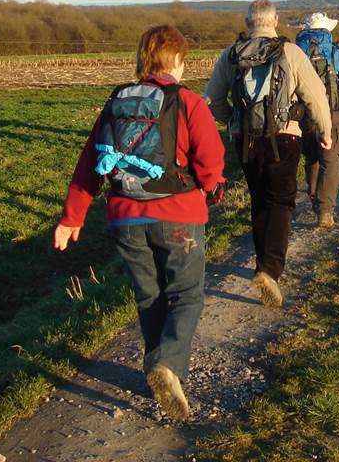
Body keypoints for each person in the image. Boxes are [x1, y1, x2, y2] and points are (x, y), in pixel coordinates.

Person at [54, 24, 226, 420]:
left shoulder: (116, 103)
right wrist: (213, 187)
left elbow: (89, 165)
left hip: (125, 218)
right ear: (179, 60)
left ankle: (158, 373)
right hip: (179, 215)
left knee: (150, 296)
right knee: (186, 294)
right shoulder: (187, 102)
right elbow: (211, 161)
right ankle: (167, 365)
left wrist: (71, 217)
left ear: (142, 60)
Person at [204, 0, 331, 308]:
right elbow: (315, 95)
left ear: (248, 22)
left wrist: (233, 121)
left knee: (260, 200)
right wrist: (325, 132)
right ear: (274, 20)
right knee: (281, 202)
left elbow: (211, 100)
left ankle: (263, 264)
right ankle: (270, 270)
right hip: (284, 137)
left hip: (245, 140)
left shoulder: (231, 54)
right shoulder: (289, 52)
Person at [294, 12, 339, 228]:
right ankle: (325, 210)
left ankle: (316, 200)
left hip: (304, 114)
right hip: (334, 113)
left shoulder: (296, 54)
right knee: (330, 159)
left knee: (312, 157)